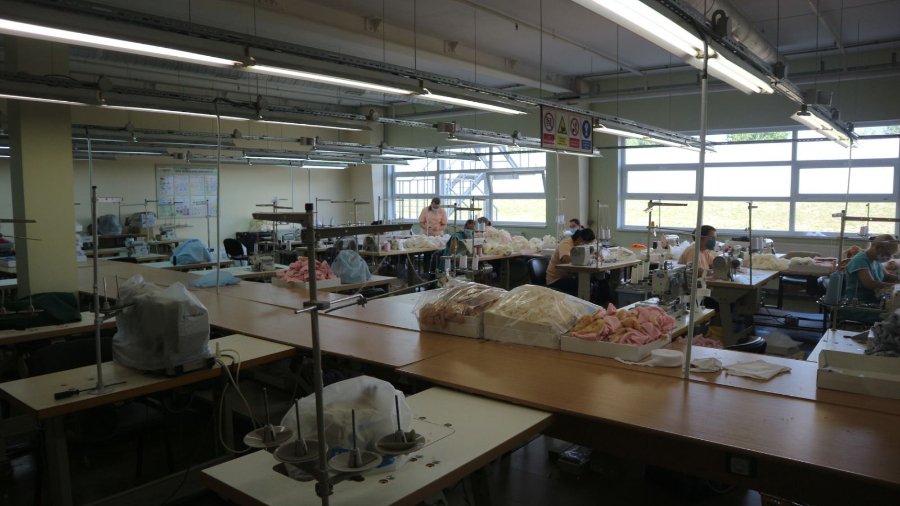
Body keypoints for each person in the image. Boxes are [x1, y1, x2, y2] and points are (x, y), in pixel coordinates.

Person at [844, 234, 899, 304]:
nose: (889, 257)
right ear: (878, 248)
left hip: (873, 300)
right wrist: (894, 286)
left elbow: (887, 276)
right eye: (887, 254)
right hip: (859, 302)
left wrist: (898, 278)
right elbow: (870, 283)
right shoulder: (860, 260)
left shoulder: (876, 260)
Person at [546, 228, 596, 296]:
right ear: (580, 239)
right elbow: (565, 258)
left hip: (567, 276)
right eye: (587, 243)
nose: (586, 245)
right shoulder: (566, 243)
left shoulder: (577, 245)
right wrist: (583, 259)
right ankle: (582, 301)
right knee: (584, 284)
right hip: (555, 279)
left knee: (592, 280)